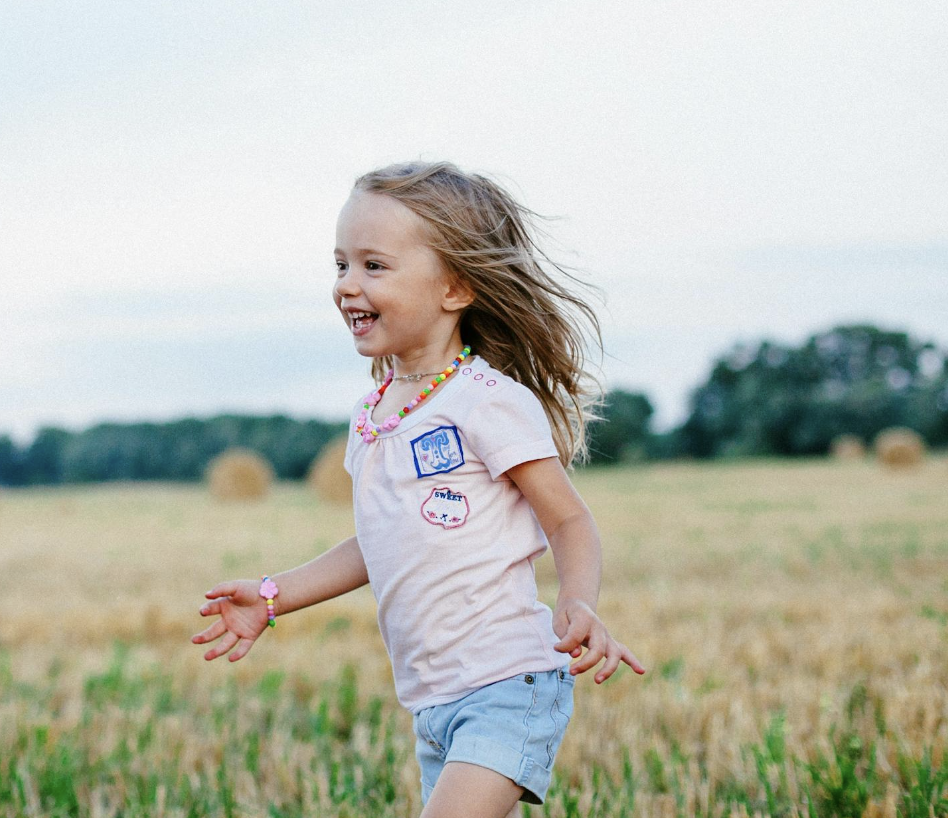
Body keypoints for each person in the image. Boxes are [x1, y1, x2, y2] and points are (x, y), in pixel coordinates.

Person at [191, 160, 645, 817]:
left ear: (455, 288)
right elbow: (378, 541)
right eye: (340, 265)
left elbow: (569, 521)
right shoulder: (372, 415)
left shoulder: (487, 402)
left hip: (507, 684)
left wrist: (579, 601)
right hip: (432, 700)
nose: (348, 285)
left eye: (374, 266)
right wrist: (273, 595)